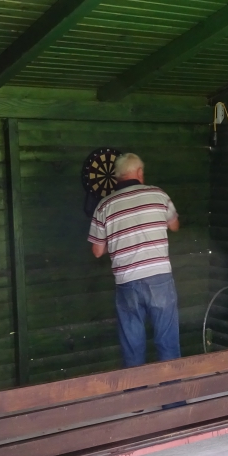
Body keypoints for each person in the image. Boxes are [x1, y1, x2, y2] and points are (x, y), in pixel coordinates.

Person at [88, 153, 181, 367]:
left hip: (126, 282)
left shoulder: (104, 205)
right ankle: (172, 389)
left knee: (132, 347)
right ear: (139, 172)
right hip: (159, 279)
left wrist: (117, 237)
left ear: (117, 176)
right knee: (167, 342)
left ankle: (136, 389)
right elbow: (174, 226)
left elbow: (97, 251)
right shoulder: (158, 195)